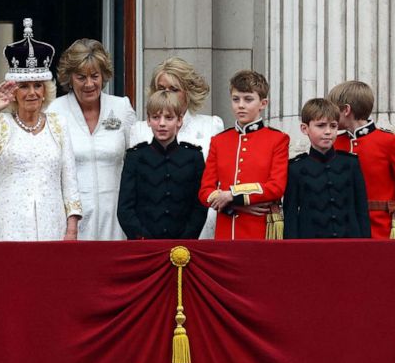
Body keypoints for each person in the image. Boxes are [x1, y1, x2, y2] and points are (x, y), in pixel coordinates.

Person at [0, 19, 82, 241]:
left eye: (37, 85)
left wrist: (72, 229)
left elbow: (70, 180)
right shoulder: (0, 123)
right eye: (24, 86)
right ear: (14, 92)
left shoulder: (58, 124)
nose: (32, 93)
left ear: (45, 89)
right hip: (6, 225)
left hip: (52, 225)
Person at [47, 38, 136, 240]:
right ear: (69, 78)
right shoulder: (54, 111)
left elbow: (136, 160)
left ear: (104, 75)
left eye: (95, 76)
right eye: (81, 77)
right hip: (71, 217)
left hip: (115, 214)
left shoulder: (121, 108)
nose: (89, 84)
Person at [199, 70, 289, 240]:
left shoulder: (277, 139)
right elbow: (205, 191)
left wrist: (232, 194)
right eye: (236, 99)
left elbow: (276, 187)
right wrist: (236, 205)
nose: (240, 105)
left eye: (248, 99)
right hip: (226, 229)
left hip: (260, 230)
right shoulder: (219, 140)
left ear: (263, 103)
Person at [328, 80, 395, 238]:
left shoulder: (390, 141)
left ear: (346, 110)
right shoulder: (334, 143)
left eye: (332, 110)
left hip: (381, 229)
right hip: (341, 228)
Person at [147, 57, 224, 238]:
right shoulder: (142, 129)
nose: (168, 94)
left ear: (187, 92)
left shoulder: (211, 125)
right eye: (161, 89)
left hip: (203, 219)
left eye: (174, 89)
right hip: (156, 223)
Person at [117, 90, 206, 240]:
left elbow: (199, 207)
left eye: (169, 117)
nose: (162, 123)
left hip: (183, 246)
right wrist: (144, 239)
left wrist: (186, 240)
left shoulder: (193, 157)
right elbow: (125, 208)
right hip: (144, 245)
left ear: (179, 120)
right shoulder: (135, 157)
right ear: (148, 120)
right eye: (156, 117)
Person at [284, 98, 370, 239]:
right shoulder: (295, 168)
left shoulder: (351, 163)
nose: (328, 132)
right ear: (305, 129)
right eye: (321, 126)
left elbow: (361, 210)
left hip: (350, 244)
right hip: (310, 246)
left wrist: (366, 245)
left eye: (333, 126)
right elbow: (291, 215)